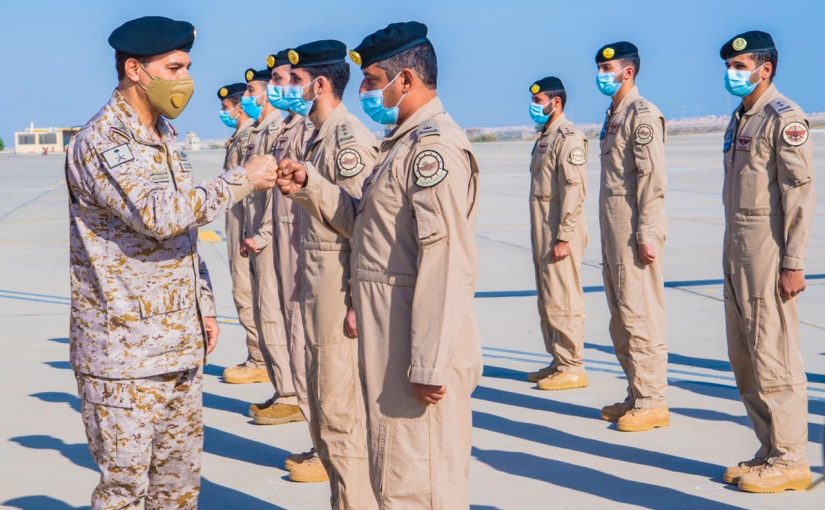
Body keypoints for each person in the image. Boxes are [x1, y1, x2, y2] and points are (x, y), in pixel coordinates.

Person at [64, 16, 278, 508]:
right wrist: (242, 179)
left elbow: (184, 237)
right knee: (124, 492)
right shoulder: (103, 141)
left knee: (177, 490)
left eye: (187, 67)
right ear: (135, 70)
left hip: (178, 343)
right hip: (124, 356)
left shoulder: (163, 134)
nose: (186, 79)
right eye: (174, 68)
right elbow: (159, 216)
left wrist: (203, 305)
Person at [277, 21, 482, 508]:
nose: (365, 91)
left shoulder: (432, 150)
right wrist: (311, 185)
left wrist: (429, 361)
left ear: (405, 79)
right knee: (391, 470)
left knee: (415, 480)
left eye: (371, 80)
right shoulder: (401, 145)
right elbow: (366, 227)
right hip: (390, 330)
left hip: (414, 339)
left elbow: (447, 260)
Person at [718, 30, 815, 493]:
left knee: (773, 353)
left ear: (765, 69)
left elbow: (798, 194)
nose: (731, 73)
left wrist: (793, 262)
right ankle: (770, 448)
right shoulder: (740, 117)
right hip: (736, 244)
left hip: (767, 248)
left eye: (739, 66)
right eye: (729, 66)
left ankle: (792, 458)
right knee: (744, 355)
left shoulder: (784, 117)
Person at [282, 40, 378, 501]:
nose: (290, 89)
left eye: (296, 81)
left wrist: (359, 301)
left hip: (340, 298)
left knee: (340, 417)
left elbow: (364, 228)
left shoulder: (347, 142)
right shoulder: (317, 136)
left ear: (319, 85)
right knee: (325, 410)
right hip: (320, 292)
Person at [595, 41, 669, 432]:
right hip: (614, 228)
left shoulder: (641, 114)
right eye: (599, 69)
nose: (601, 76)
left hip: (633, 229)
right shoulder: (614, 115)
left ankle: (653, 401)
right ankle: (636, 393)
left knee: (640, 315)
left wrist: (646, 232)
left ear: (628, 72)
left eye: (608, 70)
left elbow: (651, 178)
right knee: (621, 317)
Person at [239, 67, 305, 426]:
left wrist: (263, 234)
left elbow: (283, 193)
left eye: (285, 80)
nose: (247, 98)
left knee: (279, 316)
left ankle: (292, 394)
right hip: (262, 230)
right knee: (267, 312)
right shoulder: (277, 129)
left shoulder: (293, 128)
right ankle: (285, 389)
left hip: (280, 234)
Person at [524, 76, 589, 391]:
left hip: (560, 229)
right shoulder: (545, 136)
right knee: (548, 298)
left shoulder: (569, 137)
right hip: (543, 228)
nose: (533, 107)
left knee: (563, 297)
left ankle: (572, 365)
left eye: (538, 101)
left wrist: (564, 236)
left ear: (556, 102)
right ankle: (558, 359)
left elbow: (574, 189)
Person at [217, 82, 266, 385]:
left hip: (245, 225)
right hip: (238, 223)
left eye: (226, 108)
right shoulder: (239, 137)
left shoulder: (248, 137)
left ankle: (258, 360)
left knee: (246, 292)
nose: (223, 113)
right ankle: (258, 356)